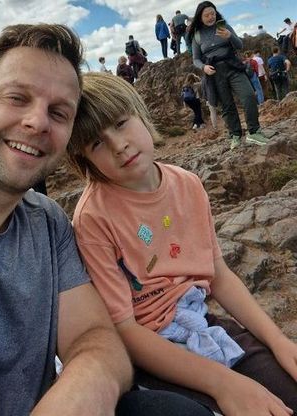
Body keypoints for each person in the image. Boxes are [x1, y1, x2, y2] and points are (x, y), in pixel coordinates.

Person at [0, 23, 216, 416]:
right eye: (17, 97)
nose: (38, 122)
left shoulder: (47, 221)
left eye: (59, 113)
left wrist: (84, 386)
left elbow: (96, 340)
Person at [66, 71, 297, 416]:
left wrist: (278, 341)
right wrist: (225, 384)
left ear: (141, 114)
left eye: (120, 123)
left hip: (201, 319)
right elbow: (125, 327)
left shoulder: (187, 184)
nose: (119, 145)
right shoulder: (93, 218)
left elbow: (216, 274)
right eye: (96, 143)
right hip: (151, 348)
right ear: (84, 160)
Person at [189, 1, 268, 150]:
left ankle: (254, 131)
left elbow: (240, 45)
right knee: (227, 105)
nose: (211, 17)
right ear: (200, 17)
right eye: (206, 15)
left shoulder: (224, 26)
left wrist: (230, 36)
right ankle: (236, 135)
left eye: (212, 13)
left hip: (233, 66)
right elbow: (195, 59)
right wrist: (203, 67)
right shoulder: (197, 36)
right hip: (215, 72)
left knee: (249, 95)